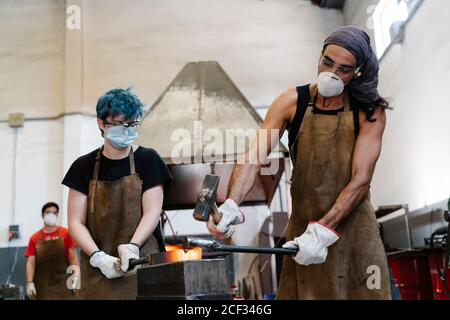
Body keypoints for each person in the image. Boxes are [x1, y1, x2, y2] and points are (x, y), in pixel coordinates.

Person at [206, 26, 392, 299]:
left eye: (344, 69)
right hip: (303, 227)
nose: (332, 73)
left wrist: (322, 232)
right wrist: (232, 203)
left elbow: (361, 179)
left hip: (354, 230)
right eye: (327, 62)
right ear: (320, 56)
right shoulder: (292, 102)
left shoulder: (369, 111)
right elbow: (255, 156)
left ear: (357, 72)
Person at [62, 88, 172, 299]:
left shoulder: (148, 160)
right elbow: (75, 222)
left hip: (143, 265)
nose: (126, 130)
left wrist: (132, 247)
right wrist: (97, 257)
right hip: (98, 274)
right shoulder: (82, 167)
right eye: (119, 124)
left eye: (132, 124)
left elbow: (152, 212)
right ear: (101, 123)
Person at [25, 202, 79, 299]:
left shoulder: (66, 234)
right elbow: (31, 263)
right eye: (48, 212)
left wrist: (76, 277)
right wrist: (30, 283)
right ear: (42, 215)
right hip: (43, 286)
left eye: (54, 213)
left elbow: (73, 258)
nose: (51, 215)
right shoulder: (34, 238)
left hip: (64, 284)